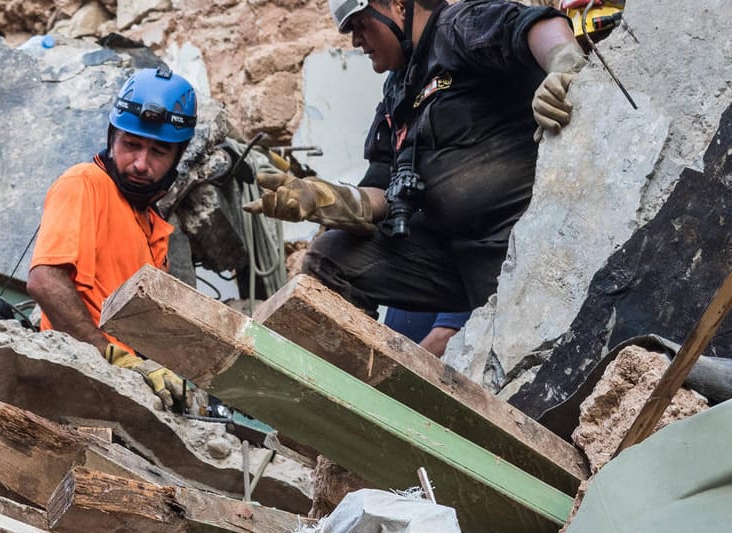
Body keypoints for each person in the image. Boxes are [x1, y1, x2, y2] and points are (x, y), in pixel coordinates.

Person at [248, 0, 584, 316]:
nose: (356, 41)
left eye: (360, 25)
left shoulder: (458, 28)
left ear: (397, 5)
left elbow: (534, 25)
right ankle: (360, 374)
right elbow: (379, 188)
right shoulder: (398, 92)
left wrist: (562, 68)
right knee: (331, 258)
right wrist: (323, 199)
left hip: (527, 239)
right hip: (455, 256)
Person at [26, 67, 199, 412]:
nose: (140, 163)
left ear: (177, 157)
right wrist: (109, 355)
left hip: (126, 393)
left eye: (158, 152)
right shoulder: (85, 183)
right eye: (131, 145)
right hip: (75, 381)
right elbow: (45, 281)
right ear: (112, 138)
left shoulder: (153, 227)